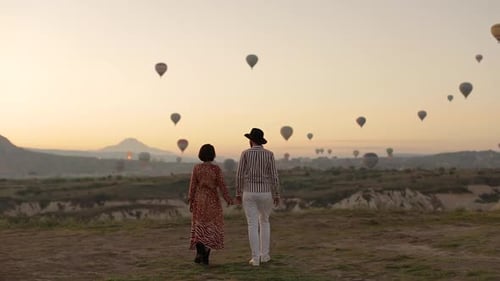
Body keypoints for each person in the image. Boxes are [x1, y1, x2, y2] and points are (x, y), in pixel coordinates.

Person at [235, 128, 280, 266]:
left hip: (249, 192)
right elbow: (274, 175)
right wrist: (276, 193)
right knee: (265, 222)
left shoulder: (245, 154)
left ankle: (255, 259)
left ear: (251, 140)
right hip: (266, 192)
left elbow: (239, 174)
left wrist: (238, 192)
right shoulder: (269, 154)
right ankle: (265, 255)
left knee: (252, 224)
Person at [188, 144, 233, 265]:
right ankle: (206, 256)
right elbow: (222, 186)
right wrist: (228, 199)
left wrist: (191, 200)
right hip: (212, 200)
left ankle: (199, 251)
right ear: (213, 154)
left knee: (199, 226)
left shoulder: (197, 168)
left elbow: (192, 186)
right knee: (211, 228)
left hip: (200, 199)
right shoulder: (216, 169)